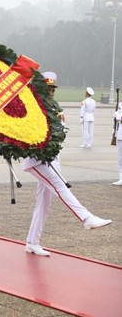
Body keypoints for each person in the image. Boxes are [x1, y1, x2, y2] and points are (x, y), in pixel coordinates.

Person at [23, 72, 112, 256]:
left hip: (52, 159)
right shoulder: (33, 107)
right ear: (39, 89)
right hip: (37, 160)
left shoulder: (52, 107)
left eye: (53, 89)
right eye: (48, 89)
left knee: (44, 203)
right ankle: (86, 217)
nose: (52, 92)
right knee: (60, 187)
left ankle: (32, 241)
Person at [114, 102, 122, 186]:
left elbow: (120, 117)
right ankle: (121, 178)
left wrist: (117, 116)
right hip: (120, 133)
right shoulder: (120, 104)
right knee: (120, 158)